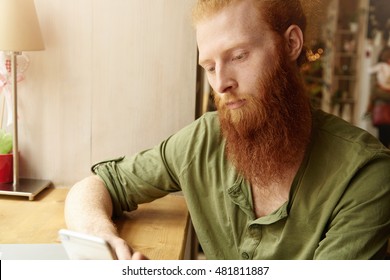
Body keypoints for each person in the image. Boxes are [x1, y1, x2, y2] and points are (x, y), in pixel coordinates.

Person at [64, 0, 390, 260]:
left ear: (290, 43)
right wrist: (100, 237)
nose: (221, 83)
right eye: (209, 67)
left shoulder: (366, 174)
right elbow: (99, 183)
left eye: (238, 55)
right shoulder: (205, 138)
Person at [367, 46, 390, 147]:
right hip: (383, 111)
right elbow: (375, 91)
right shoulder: (379, 71)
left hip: (383, 109)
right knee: (384, 140)